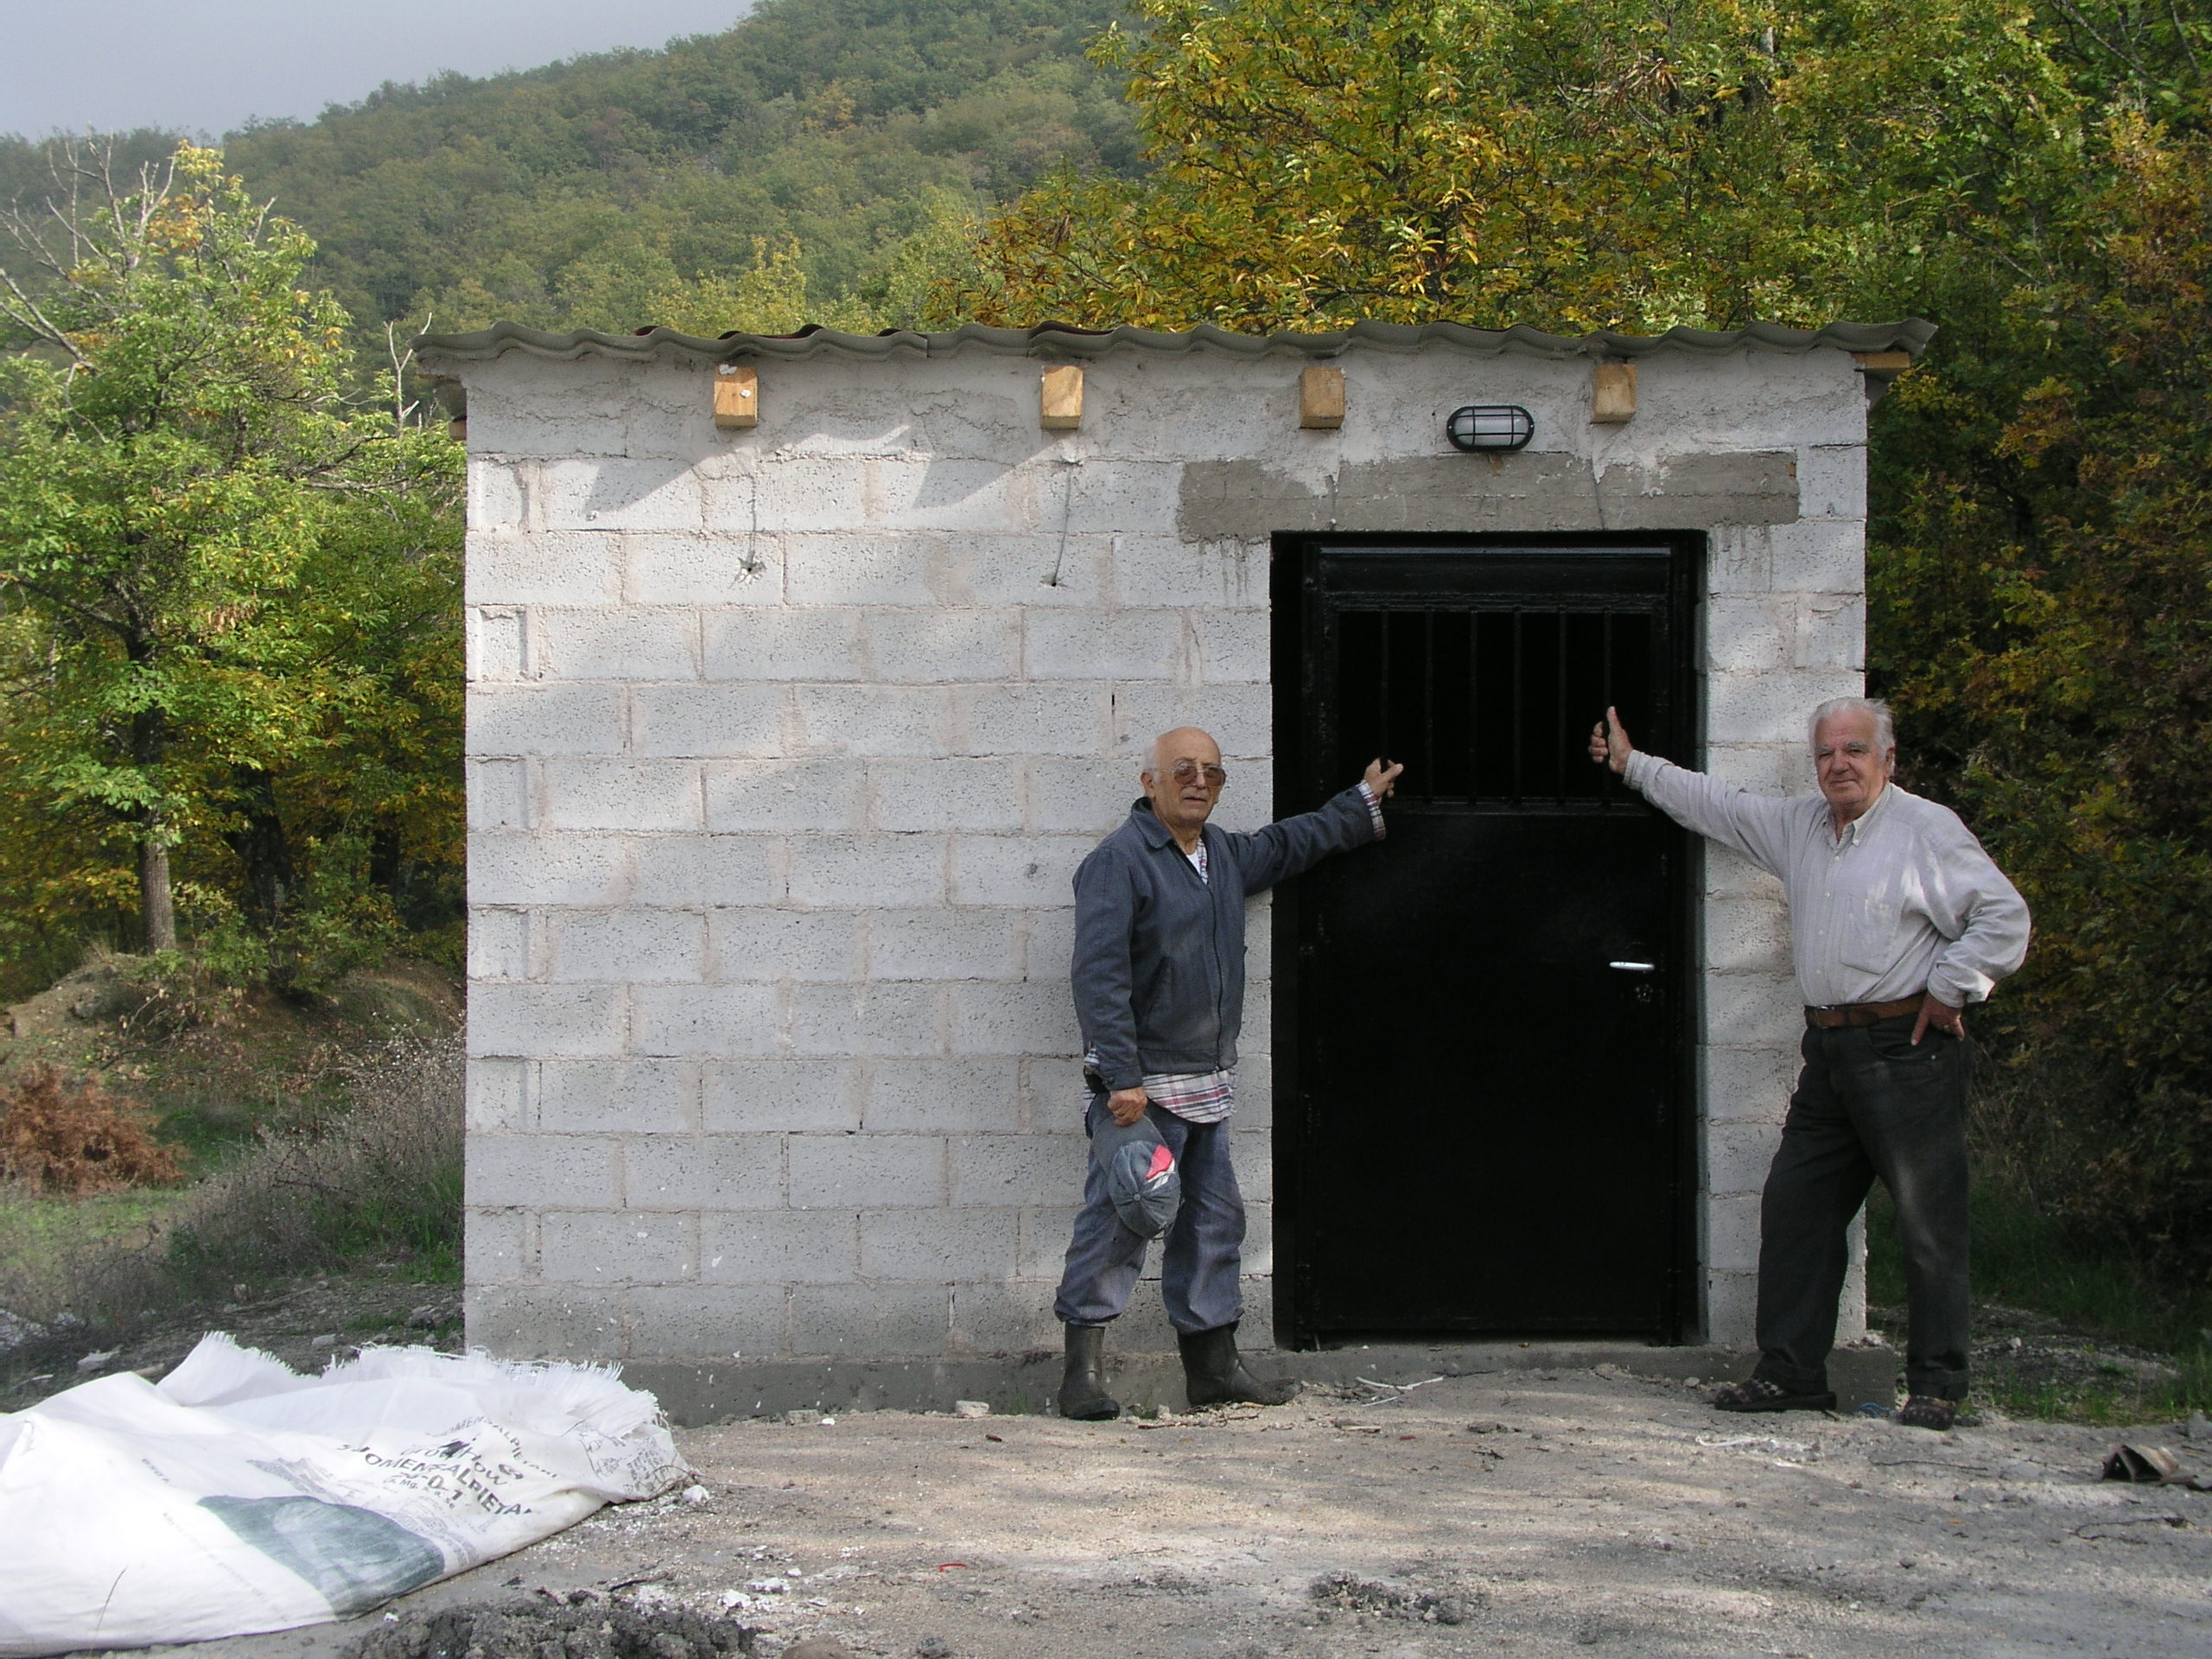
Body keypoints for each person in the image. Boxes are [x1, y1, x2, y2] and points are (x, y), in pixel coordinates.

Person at [1589, 696, 2029, 1432]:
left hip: (1907, 1049)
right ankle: (1791, 1374)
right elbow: (1719, 806)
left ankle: (1936, 1388)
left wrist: (1952, 989)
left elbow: (2003, 917)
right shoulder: (1800, 827)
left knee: (1929, 1224)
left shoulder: (1925, 830)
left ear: (1888, 758)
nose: (1839, 765)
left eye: (1855, 751)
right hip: (1827, 1052)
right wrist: (1633, 766)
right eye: (1826, 754)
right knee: (1797, 1211)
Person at [1054, 726, 1402, 1421]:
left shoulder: (1223, 855)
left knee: (1214, 1223)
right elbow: (1098, 976)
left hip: (1207, 1085)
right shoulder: (1118, 862)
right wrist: (1121, 1076)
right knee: (1123, 1219)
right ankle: (1082, 1377)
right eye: (1182, 770)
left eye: (1212, 772)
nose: (1198, 782)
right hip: (1142, 1093)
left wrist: (1361, 798)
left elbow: (1290, 843)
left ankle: (1212, 1372)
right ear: (1149, 781)